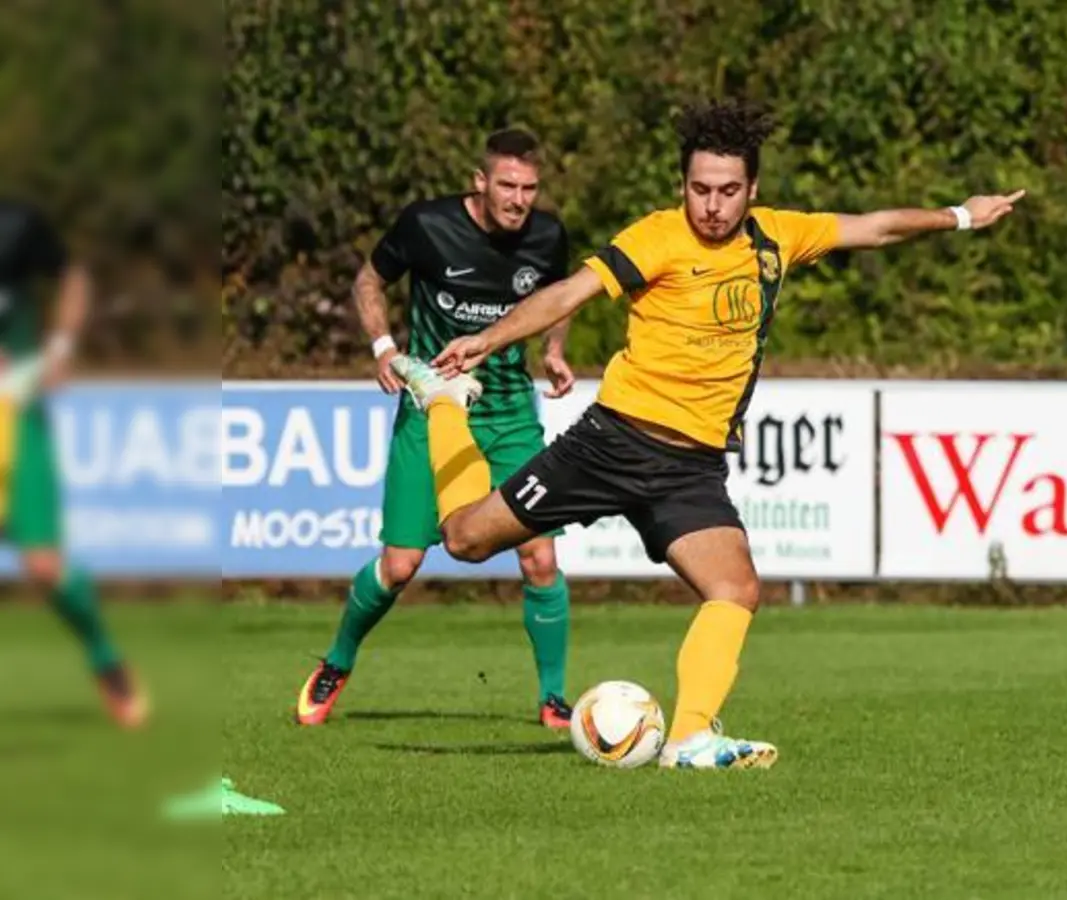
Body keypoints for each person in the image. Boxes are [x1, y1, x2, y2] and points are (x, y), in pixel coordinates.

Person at [395, 99, 1024, 769]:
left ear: (752, 189)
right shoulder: (658, 237)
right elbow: (569, 293)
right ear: (682, 186)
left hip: (691, 469)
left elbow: (873, 228)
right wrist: (489, 341)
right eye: (700, 190)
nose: (713, 206)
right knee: (463, 539)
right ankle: (445, 404)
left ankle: (690, 738)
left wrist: (960, 215)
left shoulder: (778, 236)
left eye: (727, 191)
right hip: (612, 443)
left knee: (736, 589)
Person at [294, 129, 579, 729]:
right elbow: (368, 280)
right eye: (507, 185)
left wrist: (555, 349)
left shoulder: (547, 236)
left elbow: (560, 298)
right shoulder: (427, 225)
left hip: (509, 414)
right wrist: (383, 348)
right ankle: (337, 661)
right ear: (479, 181)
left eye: (529, 188)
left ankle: (554, 699)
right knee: (399, 566)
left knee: (540, 558)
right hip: (432, 409)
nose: (519, 199)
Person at [0, 198, 147, 729]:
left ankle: (106, 658)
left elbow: (74, 277)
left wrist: (60, 348)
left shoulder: (16, 226)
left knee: (44, 564)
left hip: (15, 414)